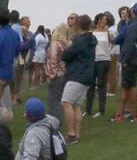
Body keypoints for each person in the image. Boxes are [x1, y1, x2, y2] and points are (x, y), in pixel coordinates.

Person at [60, 14, 96, 143]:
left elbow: (66, 55)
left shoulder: (81, 40)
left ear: (79, 25)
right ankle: (77, 134)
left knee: (66, 102)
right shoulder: (90, 39)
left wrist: (65, 47)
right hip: (87, 75)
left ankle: (71, 134)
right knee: (76, 105)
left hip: (77, 75)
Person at [113, 1, 137, 123]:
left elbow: (129, 43)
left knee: (126, 87)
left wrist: (125, 59)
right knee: (131, 86)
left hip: (131, 59)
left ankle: (121, 115)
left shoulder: (134, 25)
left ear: (133, 11)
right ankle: (132, 115)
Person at [86, 14, 111, 119]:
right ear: (98, 21)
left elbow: (112, 43)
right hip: (93, 60)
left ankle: (101, 109)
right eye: (103, 19)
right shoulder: (92, 33)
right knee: (90, 85)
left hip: (104, 60)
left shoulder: (107, 32)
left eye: (106, 20)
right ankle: (88, 110)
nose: (105, 21)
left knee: (101, 85)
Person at [43, 23, 69, 122]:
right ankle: (57, 119)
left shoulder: (55, 44)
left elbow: (53, 60)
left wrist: (51, 75)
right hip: (64, 73)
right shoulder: (66, 44)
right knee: (59, 98)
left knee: (53, 100)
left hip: (56, 74)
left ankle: (55, 121)